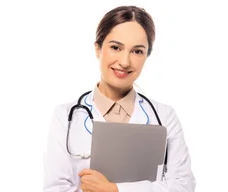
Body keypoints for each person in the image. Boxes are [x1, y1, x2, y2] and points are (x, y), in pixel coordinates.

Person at [43, 6, 196, 192]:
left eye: (137, 51)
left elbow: (183, 186)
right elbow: (55, 189)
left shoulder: (165, 116)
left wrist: (114, 189)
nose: (125, 61)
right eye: (116, 47)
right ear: (98, 49)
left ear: (147, 56)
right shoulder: (66, 116)